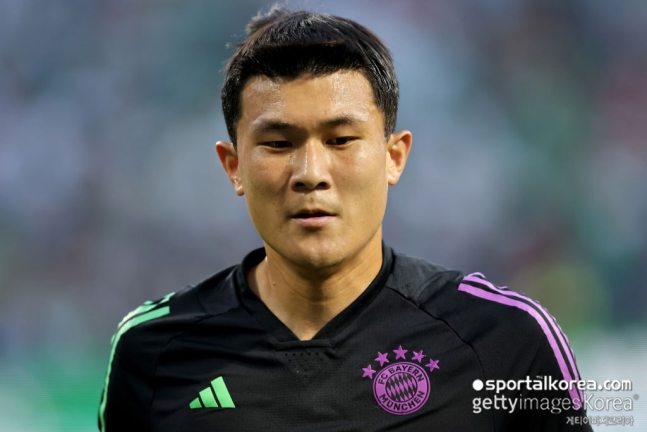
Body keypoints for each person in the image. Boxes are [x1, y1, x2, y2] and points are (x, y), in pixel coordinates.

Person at [98, 6, 593, 431]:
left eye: (341, 140)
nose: (311, 174)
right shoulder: (151, 350)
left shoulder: (506, 340)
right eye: (278, 143)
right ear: (234, 167)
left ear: (394, 157)